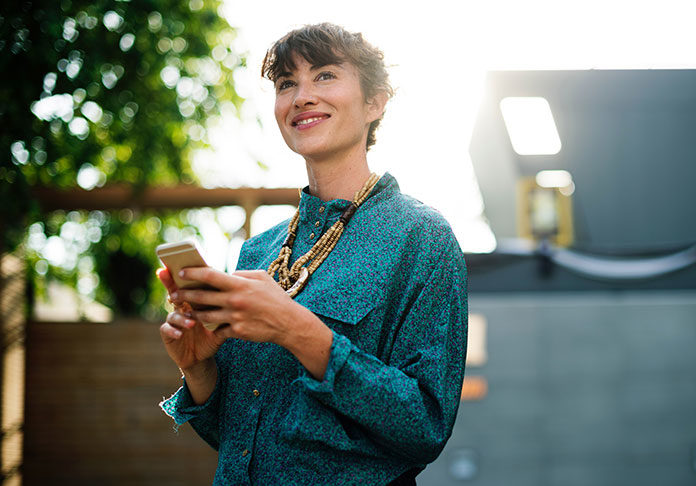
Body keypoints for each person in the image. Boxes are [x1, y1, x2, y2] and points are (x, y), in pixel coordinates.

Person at [158, 22, 468, 485]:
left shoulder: (422, 238)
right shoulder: (257, 251)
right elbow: (237, 438)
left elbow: (425, 425)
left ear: (375, 102)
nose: (302, 96)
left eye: (324, 75)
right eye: (287, 83)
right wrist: (198, 367)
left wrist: (296, 329)